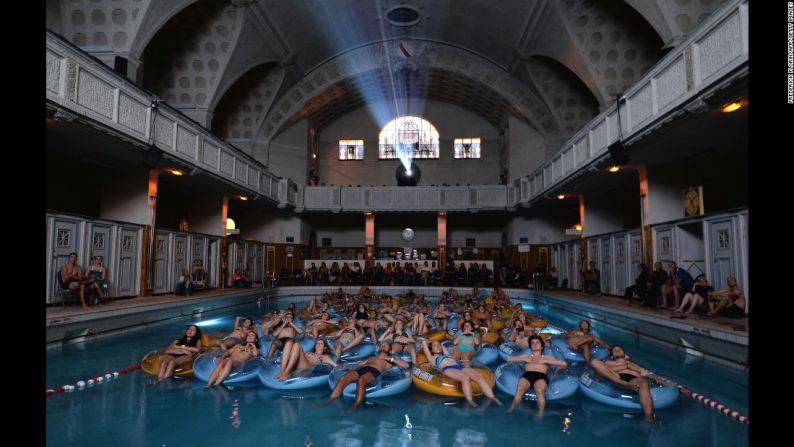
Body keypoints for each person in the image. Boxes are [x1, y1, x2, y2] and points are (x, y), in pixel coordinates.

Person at [321, 341, 410, 411]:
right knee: (343, 378)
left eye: (386, 345)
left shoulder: (390, 360)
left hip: (374, 371)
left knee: (361, 380)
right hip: (361, 369)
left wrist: (388, 358)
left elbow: (406, 365)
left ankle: (356, 405)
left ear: (390, 350)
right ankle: (330, 400)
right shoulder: (372, 357)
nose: (383, 345)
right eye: (382, 344)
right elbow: (358, 364)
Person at [420, 339, 502, 407]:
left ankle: (492, 397)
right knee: (465, 378)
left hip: (460, 367)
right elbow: (424, 344)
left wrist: (439, 344)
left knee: (479, 376)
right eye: (435, 345)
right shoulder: (432, 358)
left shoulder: (447, 355)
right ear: (431, 349)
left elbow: (442, 346)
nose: (438, 346)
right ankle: (470, 401)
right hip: (447, 369)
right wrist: (427, 341)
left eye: (438, 345)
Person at [506, 335, 568, 414]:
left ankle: (540, 413)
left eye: (537, 342)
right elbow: (509, 359)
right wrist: (523, 359)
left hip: (541, 376)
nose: (535, 344)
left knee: (539, 391)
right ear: (530, 346)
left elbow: (564, 363)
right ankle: (512, 409)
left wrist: (546, 361)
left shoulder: (547, 357)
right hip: (527, 375)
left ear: (542, 346)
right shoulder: (527, 356)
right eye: (532, 343)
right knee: (520, 388)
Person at [589, 345, 654, 420]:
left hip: (634, 379)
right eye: (615, 350)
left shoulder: (634, 365)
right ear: (612, 356)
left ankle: (648, 418)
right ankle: (625, 384)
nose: (618, 350)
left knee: (643, 383)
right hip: (617, 376)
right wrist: (626, 365)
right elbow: (603, 370)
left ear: (624, 353)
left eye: (620, 349)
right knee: (594, 362)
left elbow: (644, 374)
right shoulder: (609, 362)